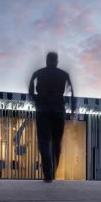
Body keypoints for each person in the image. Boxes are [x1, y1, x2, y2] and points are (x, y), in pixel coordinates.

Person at [28, 52, 75, 182]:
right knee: (56, 143)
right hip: (59, 109)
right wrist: (72, 109)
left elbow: (31, 88)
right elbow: (72, 93)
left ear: (47, 60)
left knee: (44, 142)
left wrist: (36, 99)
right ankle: (52, 171)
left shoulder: (39, 73)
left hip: (43, 109)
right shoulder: (63, 74)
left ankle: (48, 173)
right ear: (57, 61)